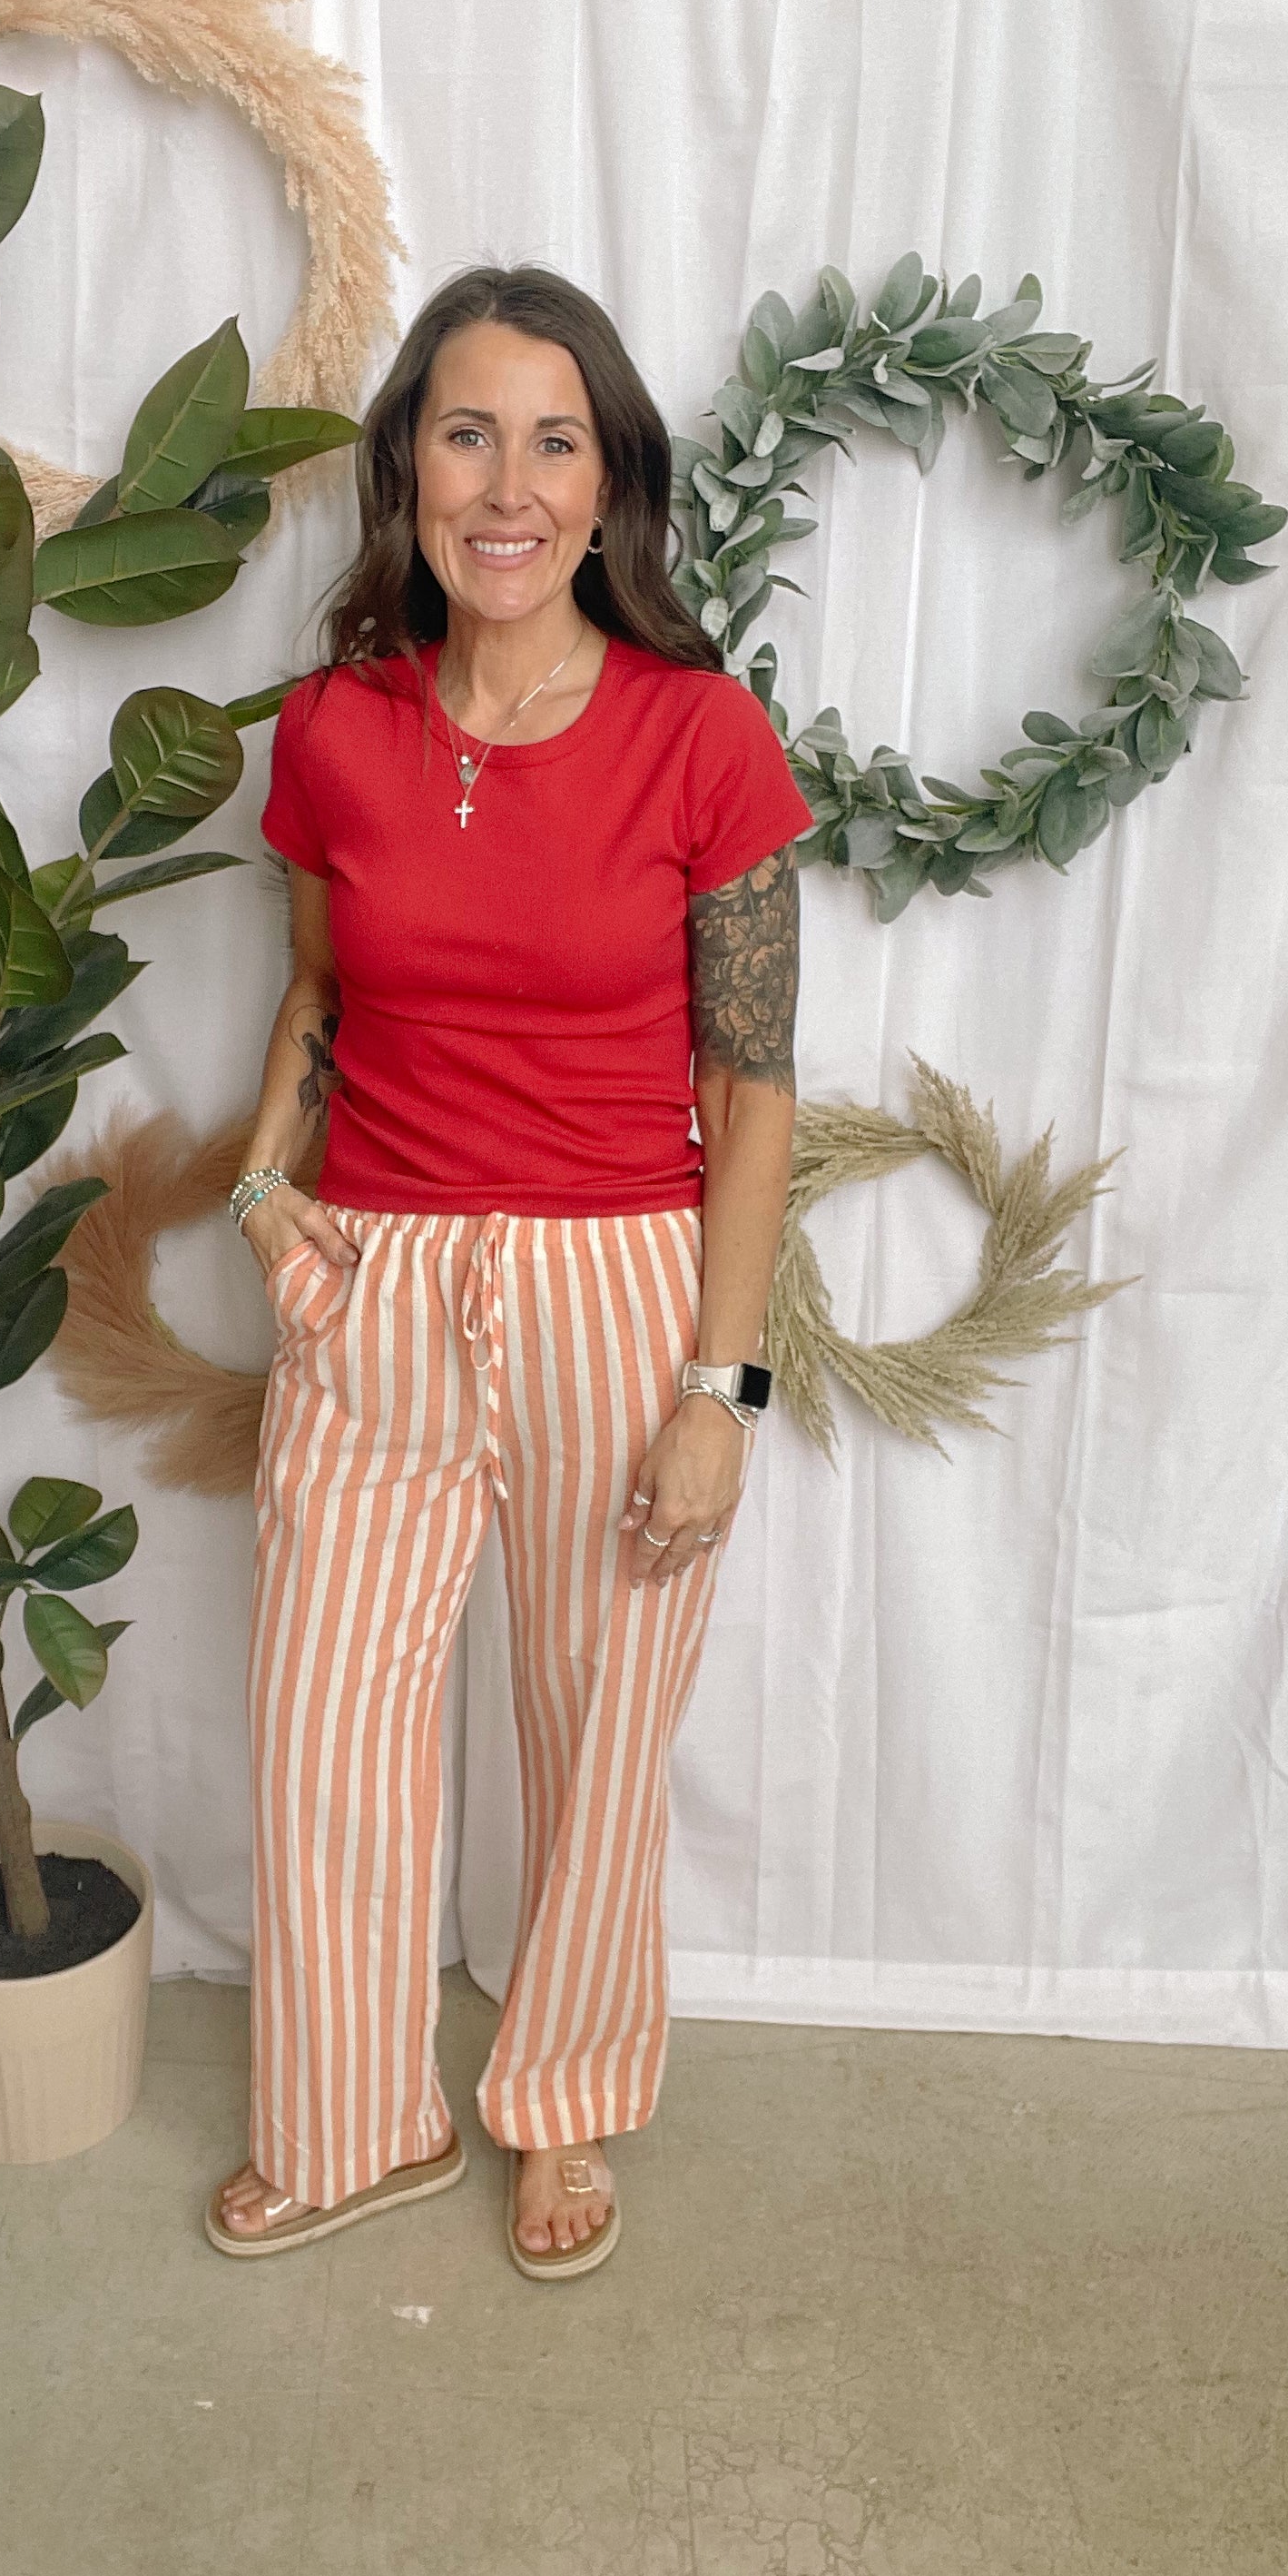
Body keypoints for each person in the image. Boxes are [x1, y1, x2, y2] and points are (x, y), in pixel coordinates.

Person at [205, 263, 810, 2281]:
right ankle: (348, 2113)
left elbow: (757, 1088)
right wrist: (264, 1181)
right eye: (470, 431)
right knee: (325, 1718)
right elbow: (314, 990)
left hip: (615, 1286)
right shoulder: (332, 727)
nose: (510, 482)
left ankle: (559, 2097)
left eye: (558, 439)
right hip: (369, 1285)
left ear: (611, 482)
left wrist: (723, 1396)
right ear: (406, 466)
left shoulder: (703, 736)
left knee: (592, 1725)